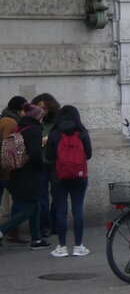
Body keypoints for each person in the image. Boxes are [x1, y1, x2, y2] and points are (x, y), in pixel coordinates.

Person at [44, 104, 92, 257]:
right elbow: (89, 154)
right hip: (79, 177)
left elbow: (49, 156)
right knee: (77, 210)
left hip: (58, 177)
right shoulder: (82, 132)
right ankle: (78, 246)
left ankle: (62, 246)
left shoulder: (54, 133)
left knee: (61, 211)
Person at [0, 103, 49, 248]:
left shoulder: (20, 128)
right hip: (29, 174)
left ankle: (37, 240)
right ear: (37, 117)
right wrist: (40, 166)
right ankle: (2, 230)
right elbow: (34, 154)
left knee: (34, 206)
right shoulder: (34, 130)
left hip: (17, 172)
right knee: (28, 208)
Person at [30, 92, 60, 240]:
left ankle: (56, 224)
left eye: (45, 108)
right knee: (41, 196)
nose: (42, 111)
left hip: (54, 163)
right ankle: (45, 226)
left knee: (57, 195)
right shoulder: (35, 123)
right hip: (40, 163)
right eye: (39, 107)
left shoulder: (55, 124)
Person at [1, 95, 29, 244]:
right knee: (19, 199)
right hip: (6, 171)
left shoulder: (5, 118)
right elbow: (8, 147)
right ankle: (12, 230)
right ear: (20, 109)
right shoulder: (11, 122)